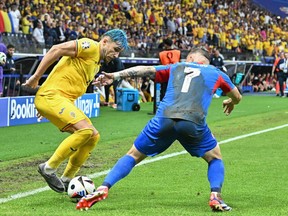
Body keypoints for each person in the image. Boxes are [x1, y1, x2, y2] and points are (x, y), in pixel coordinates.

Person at [76, 47, 242, 212]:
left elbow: (145, 70)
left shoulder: (176, 66)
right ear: (207, 61)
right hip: (192, 121)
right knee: (215, 158)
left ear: (190, 56)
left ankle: (104, 187)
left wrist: (114, 75)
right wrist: (231, 102)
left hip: (164, 118)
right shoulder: (216, 72)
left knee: (133, 155)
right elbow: (237, 96)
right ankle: (215, 195)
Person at [22, 29, 128, 193]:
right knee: (85, 131)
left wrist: (51, 108)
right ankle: (48, 168)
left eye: (119, 52)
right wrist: (36, 77)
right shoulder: (90, 46)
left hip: (57, 100)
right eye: (116, 50)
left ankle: (66, 179)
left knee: (93, 136)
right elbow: (56, 50)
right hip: (51, 96)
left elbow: (65, 79)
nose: (116, 55)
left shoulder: (96, 63)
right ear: (105, 41)